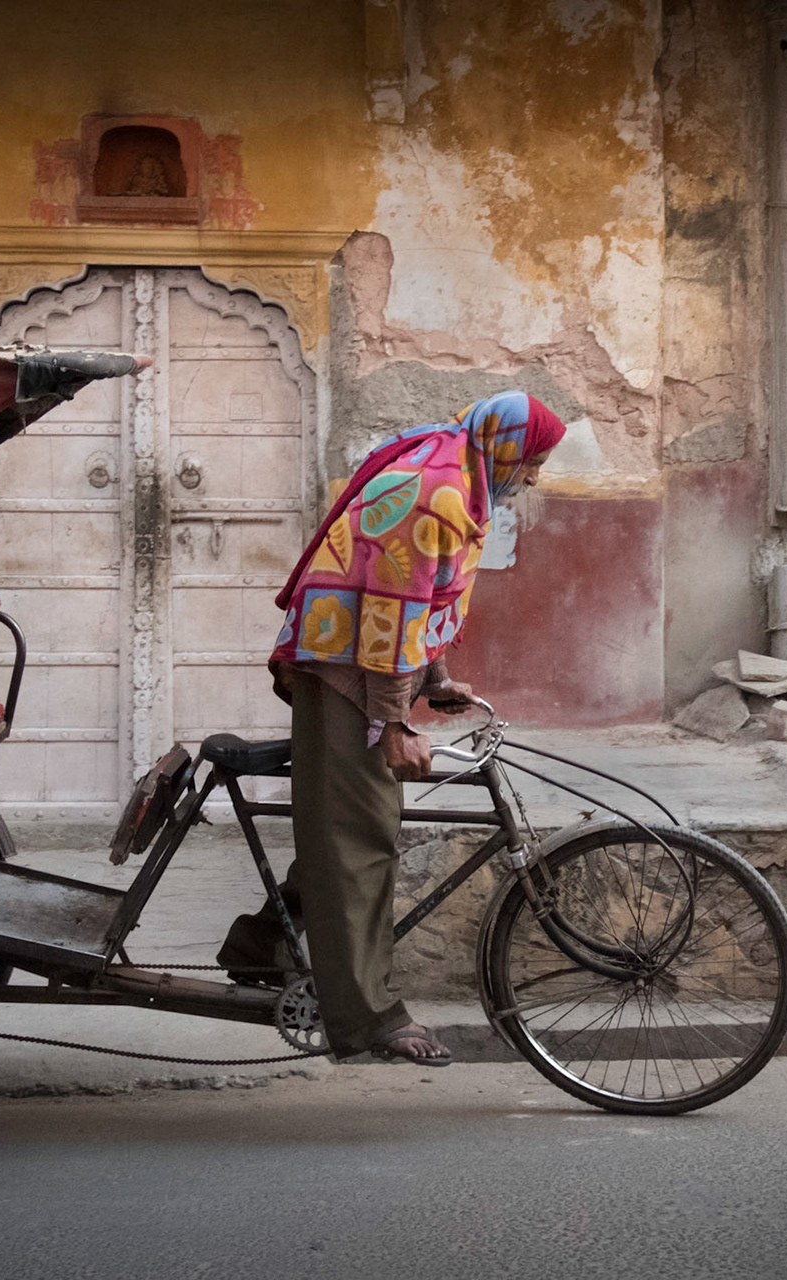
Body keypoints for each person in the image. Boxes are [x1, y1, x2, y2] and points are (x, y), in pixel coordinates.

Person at [217, 390, 567, 1065]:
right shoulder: (437, 488)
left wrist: (434, 680)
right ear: (504, 447)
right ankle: (367, 1018)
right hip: (346, 665)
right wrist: (395, 721)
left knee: (342, 825)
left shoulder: (457, 471)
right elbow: (388, 612)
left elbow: (418, 595)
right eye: (532, 461)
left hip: (352, 654)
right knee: (360, 839)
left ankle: (258, 946)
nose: (533, 476)